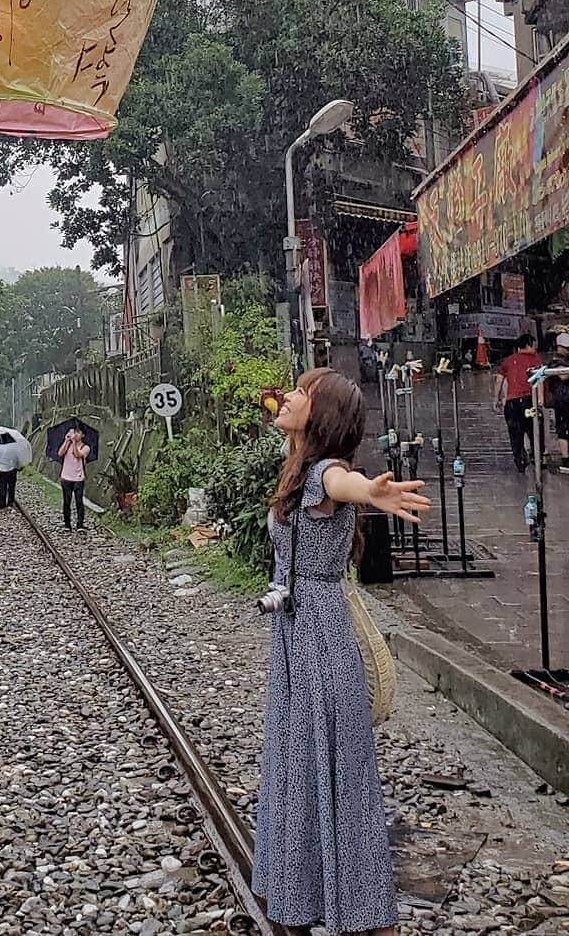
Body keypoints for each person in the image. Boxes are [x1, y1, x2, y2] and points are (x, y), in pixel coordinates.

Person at [253, 368, 429, 936]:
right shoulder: (299, 465)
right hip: (297, 631)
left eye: (301, 392)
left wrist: (372, 491)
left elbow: (346, 485)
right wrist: (291, 434)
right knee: (303, 762)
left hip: (321, 636)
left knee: (333, 765)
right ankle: (305, 896)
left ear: (321, 414)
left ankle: (364, 913)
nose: (287, 396)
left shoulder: (327, 474)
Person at [494, 332, 543, 473]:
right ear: (528, 345)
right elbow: (539, 379)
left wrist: (496, 398)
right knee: (534, 430)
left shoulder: (508, 360)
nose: (536, 349)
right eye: (534, 346)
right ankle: (537, 459)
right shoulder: (534, 359)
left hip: (512, 403)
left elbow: (499, 379)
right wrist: (540, 399)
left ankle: (520, 461)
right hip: (529, 400)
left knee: (515, 433)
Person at [545, 333, 569, 474]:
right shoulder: (556, 362)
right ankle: (566, 458)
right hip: (562, 400)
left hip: (563, 399)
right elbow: (563, 375)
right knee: (563, 429)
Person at [59, 427, 90, 532]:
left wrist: (74, 443)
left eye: (78, 432)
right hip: (66, 477)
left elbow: (77, 455)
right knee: (66, 502)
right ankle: (67, 524)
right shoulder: (68, 444)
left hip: (78, 478)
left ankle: (80, 524)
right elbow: (60, 453)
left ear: (83, 435)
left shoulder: (86, 447)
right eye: (75, 432)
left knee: (79, 502)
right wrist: (66, 441)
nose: (75, 434)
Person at [0, 436, 21, 510]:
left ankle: (1, 503)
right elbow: (17, 458)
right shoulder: (15, 448)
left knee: (2, 486)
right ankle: (10, 503)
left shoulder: (1, 447)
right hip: (13, 469)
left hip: (3, 469)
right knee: (11, 487)